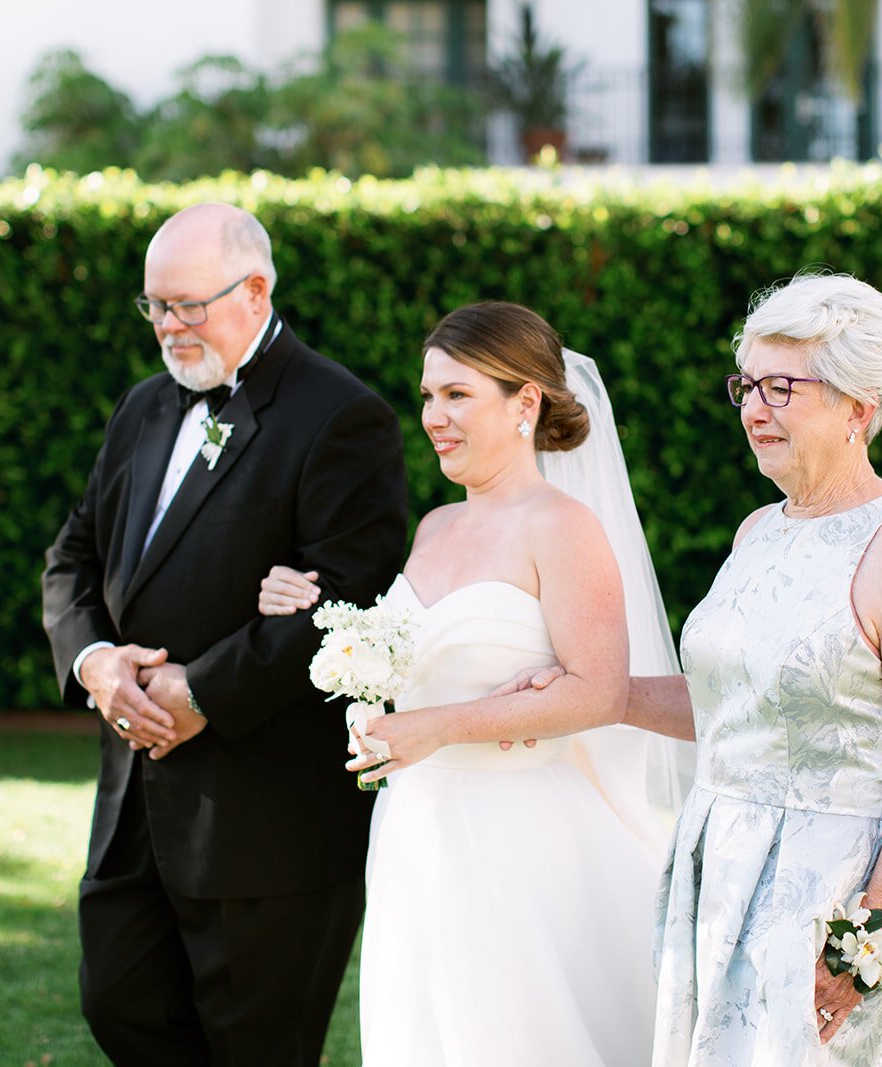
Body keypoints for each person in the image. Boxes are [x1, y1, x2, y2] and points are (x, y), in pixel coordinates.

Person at [256, 302, 686, 1066]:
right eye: (428, 395)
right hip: (417, 834)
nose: (433, 416)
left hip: (521, 840)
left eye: (458, 394)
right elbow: (418, 660)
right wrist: (324, 621)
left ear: (526, 401)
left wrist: (440, 726)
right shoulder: (433, 527)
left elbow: (598, 691)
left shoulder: (564, 526)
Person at [40, 202, 408, 1066]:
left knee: (256, 1044)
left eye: (187, 305)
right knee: (119, 1000)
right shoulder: (140, 409)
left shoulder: (341, 416)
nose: (168, 325)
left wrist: (200, 690)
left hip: (263, 811)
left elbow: (348, 607)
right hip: (134, 785)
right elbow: (74, 554)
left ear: (254, 290)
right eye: (154, 306)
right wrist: (98, 666)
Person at [616, 273, 882, 1064]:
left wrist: (863, 941)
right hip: (722, 870)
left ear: (859, 406)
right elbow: (736, 709)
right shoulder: (758, 531)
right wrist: (600, 695)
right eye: (746, 384)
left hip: (833, 889)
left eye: (781, 387)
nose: (753, 409)